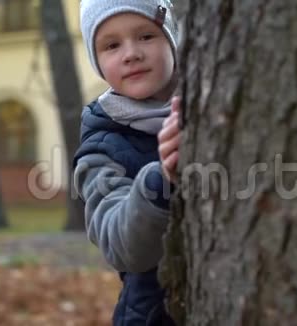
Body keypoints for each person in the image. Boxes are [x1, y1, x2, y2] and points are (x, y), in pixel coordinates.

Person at [73, 0, 182, 324]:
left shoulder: (215, 104)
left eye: (146, 36)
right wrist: (161, 180)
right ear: (98, 61)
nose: (131, 53)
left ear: (171, 38)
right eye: (111, 45)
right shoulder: (102, 146)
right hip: (153, 316)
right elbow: (119, 245)